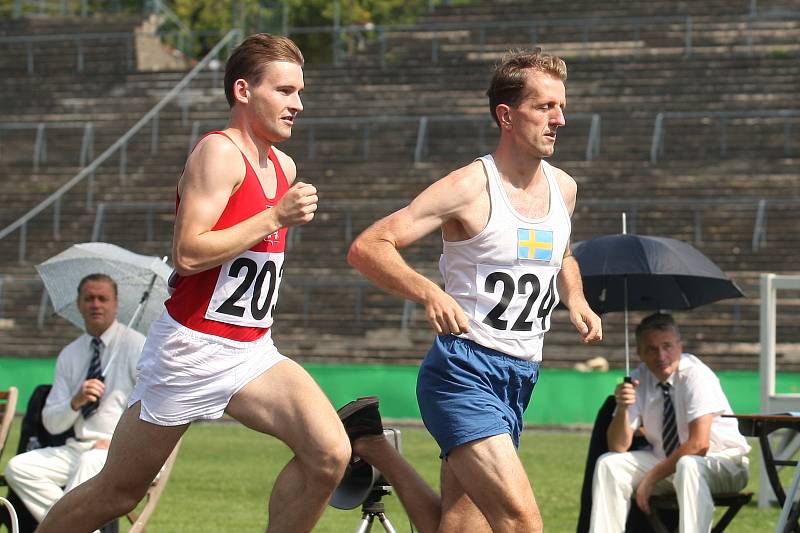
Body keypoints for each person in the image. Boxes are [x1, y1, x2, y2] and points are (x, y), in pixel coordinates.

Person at [36, 34, 351, 533]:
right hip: (190, 349)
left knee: (331, 453)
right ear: (244, 91)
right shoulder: (217, 153)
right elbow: (187, 253)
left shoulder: (284, 166)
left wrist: (273, 213)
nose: (298, 104)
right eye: (285, 91)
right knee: (117, 493)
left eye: (299, 93)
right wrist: (274, 215)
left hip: (251, 350)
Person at [347, 48, 602, 531]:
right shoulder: (469, 186)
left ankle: (375, 446)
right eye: (545, 107)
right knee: (523, 522)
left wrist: (577, 299)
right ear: (506, 115)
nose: (560, 119)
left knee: (461, 526)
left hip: (520, 377)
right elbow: (368, 246)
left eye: (562, 106)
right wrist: (430, 292)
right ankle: (374, 446)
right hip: (463, 372)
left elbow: (562, 256)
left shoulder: (564, 188)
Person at [4, 273, 145, 526]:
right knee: (20, 468)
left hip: (122, 452)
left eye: (103, 298)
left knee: (89, 463)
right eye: (89, 298)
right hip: (77, 448)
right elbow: (51, 423)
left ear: (116, 304)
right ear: (79, 304)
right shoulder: (71, 354)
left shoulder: (137, 346)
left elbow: (154, 407)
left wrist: (118, 443)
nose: (96, 305)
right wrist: (75, 401)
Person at [589, 313, 750, 533]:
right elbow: (617, 446)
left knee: (689, 464)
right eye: (652, 349)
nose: (661, 355)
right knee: (610, 464)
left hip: (724, 463)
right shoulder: (639, 377)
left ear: (679, 346)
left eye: (667, 346)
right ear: (639, 353)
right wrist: (623, 408)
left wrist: (650, 480)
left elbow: (698, 445)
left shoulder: (697, 375)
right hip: (669, 462)